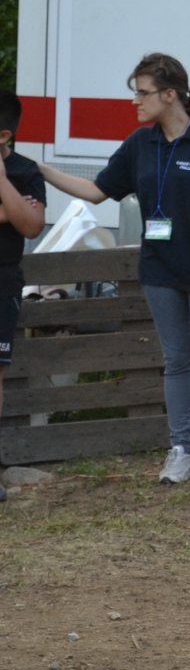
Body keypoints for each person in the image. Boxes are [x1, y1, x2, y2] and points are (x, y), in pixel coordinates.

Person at [37, 54, 190, 485]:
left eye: (142, 93)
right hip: (160, 271)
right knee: (177, 361)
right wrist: (40, 169)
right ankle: (182, 451)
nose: (135, 102)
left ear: (170, 95)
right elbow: (94, 191)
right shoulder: (139, 145)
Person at [0, 91, 47, 503]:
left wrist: (0, 181)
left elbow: (32, 226)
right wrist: (7, 211)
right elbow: (20, 215)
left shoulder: (25, 171)